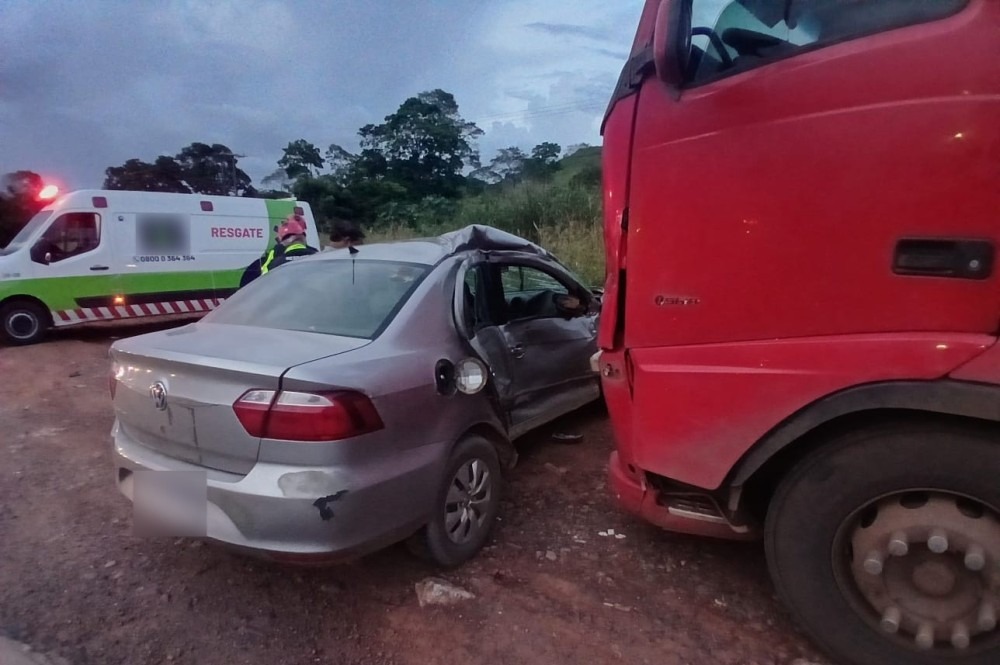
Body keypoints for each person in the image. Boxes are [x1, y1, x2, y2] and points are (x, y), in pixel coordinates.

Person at [238, 215, 318, 287]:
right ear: (303, 237)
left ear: (282, 240)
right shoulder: (317, 256)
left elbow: (265, 278)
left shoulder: (276, 259)